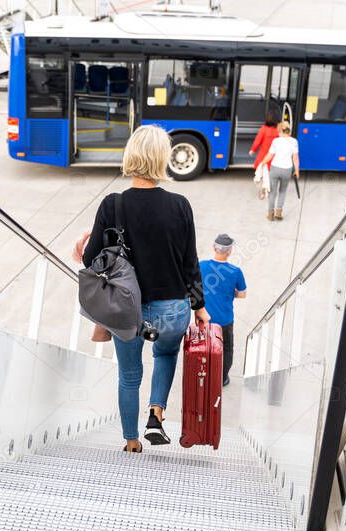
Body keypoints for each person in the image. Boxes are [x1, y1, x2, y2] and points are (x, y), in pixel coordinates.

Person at [82, 125, 210, 453]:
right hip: (172, 309)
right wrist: (199, 307)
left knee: (128, 374)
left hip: (127, 311)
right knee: (166, 354)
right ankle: (156, 414)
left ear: (131, 156)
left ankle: (131, 441)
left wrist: (88, 243)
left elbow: (90, 258)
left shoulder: (112, 205)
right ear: (162, 159)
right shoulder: (180, 205)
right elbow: (190, 263)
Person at [199, 234, 247, 387]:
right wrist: (229, 292)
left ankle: (203, 374)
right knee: (226, 349)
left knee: (204, 347)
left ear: (214, 248)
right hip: (225, 320)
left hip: (204, 317)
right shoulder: (235, 271)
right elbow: (242, 293)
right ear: (229, 251)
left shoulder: (201, 266)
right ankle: (222, 378)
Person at [263, 121, 299, 221]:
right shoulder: (294, 142)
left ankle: (270, 214)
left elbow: (270, 155)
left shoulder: (276, 141)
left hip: (275, 169)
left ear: (280, 131)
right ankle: (279, 212)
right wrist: (297, 170)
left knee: (272, 192)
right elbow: (295, 158)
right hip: (287, 170)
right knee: (282, 191)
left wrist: (262, 163)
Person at [250, 112, 279, 200]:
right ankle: (270, 190)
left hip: (264, 156)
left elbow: (257, 141)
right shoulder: (278, 130)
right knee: (272, 175)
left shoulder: (263, 129)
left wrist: (252, 150)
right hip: (274, 157)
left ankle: (263, 191)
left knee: (262, 174)